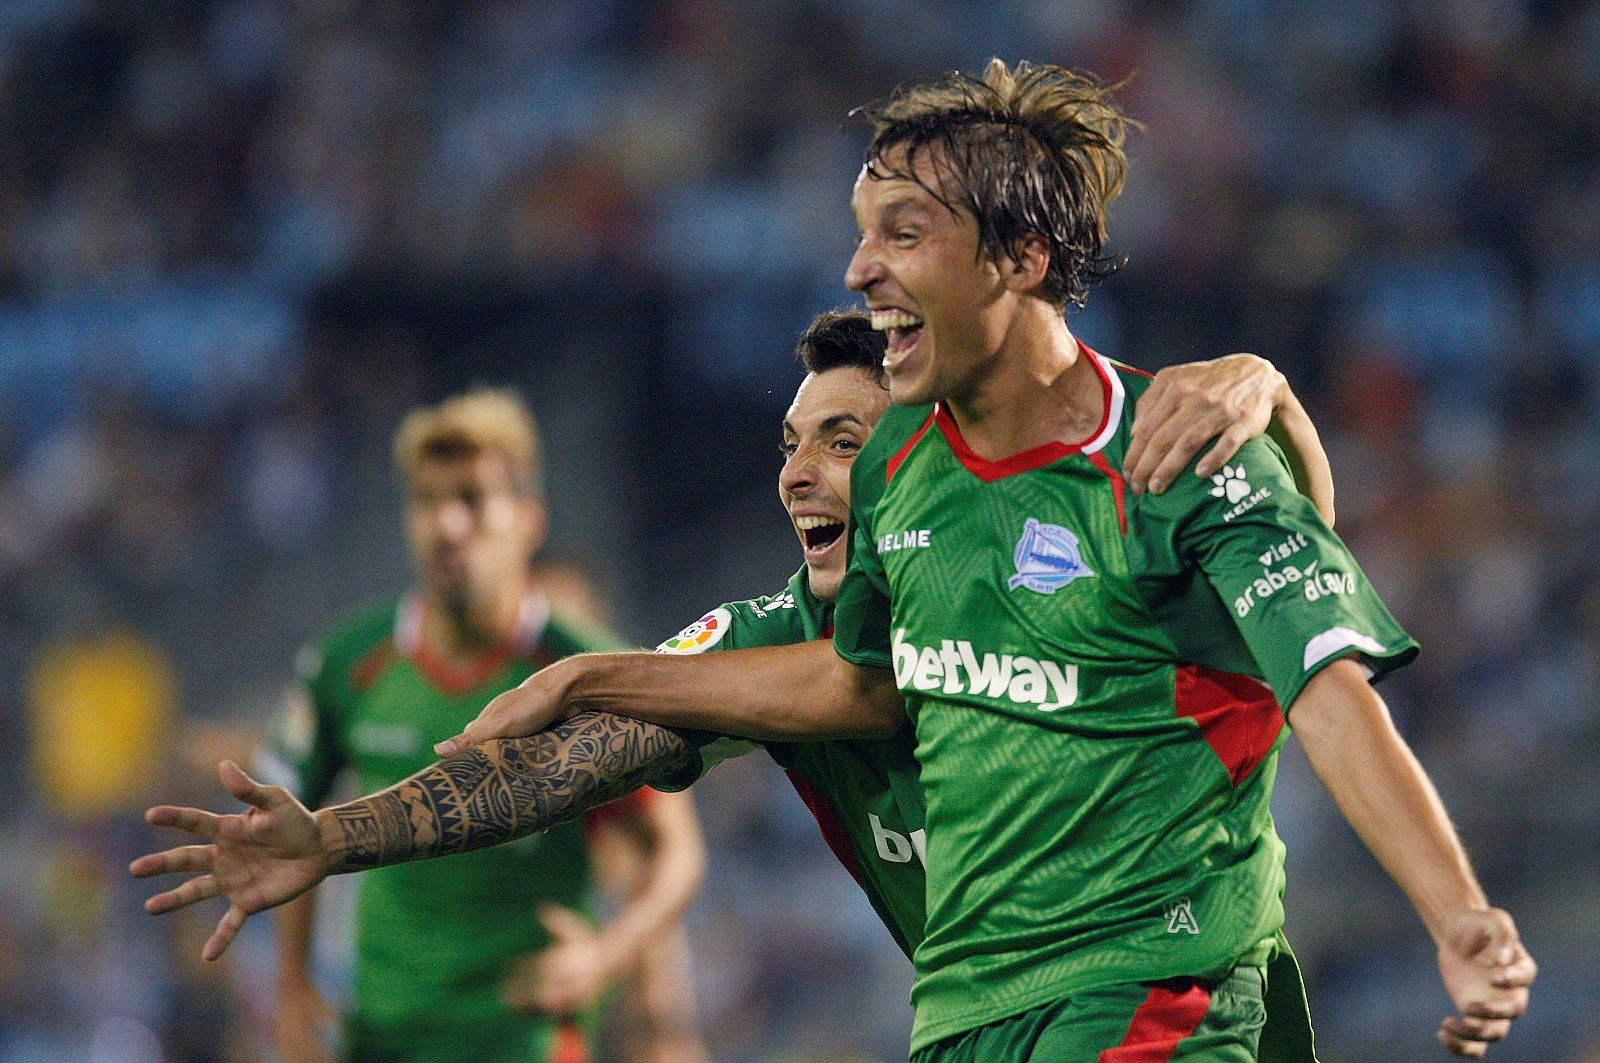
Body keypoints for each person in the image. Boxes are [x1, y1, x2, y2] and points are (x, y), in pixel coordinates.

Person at [422, 62, 1536, 1060]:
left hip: (1152, 990)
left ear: (1021, 256)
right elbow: (857, 676)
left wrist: (1458, 917)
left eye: (903, 233)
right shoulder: (905, 453)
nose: (860, 268)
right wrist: (584, 676)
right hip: (964, 1013)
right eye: (862, 232)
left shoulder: (1182, 448)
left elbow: (1329, 696)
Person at [132, 313, 1335, 1042]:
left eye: (845, 442)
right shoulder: (755, 641)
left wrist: (1265, 391)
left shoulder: (1066, 579)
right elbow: (563, 771)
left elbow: (1289, 589)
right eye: (789, 445)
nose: (798, 475)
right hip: (1001, 1021)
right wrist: (333, 841)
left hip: (1177, 988)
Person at [250, 389, 707, 1063]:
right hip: (378, 1034)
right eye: (427, 500)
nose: (447, 524)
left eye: (471, 498)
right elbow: (286, 823)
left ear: (527, 518)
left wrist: (605, 956)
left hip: (525, 1035)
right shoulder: (348, 661)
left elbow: (677, 851)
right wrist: (290, 984)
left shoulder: (590, 671)